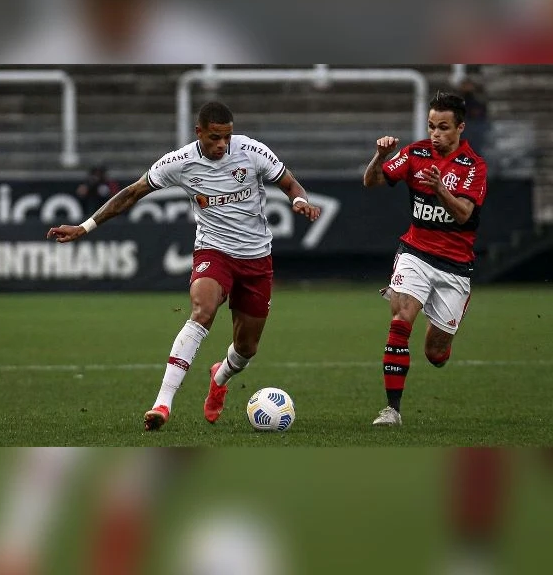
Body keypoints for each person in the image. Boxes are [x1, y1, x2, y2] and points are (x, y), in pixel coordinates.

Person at [47, 101, 321, 431]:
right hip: (213, 252)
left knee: (246, 349)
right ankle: (162, 403)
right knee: (202, 310)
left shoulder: (252, 151)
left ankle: (219, 377)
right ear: (199, 132)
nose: (222, 144)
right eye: (215, 138)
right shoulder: (179, 162)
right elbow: (132, 194)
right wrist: (85, 226)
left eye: (227, 137)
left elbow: (290, 184)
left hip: (256, 258)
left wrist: (300, 201)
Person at [362, 91, 488, 426]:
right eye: (432, 126)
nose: (435, 133)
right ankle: (392, 410)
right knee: (401, 320)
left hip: (455, 267)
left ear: (460, 127)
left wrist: (440, 190)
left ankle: (443, 343)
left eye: (444, 127)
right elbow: (371, 182)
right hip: (415, 253)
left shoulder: (473, 167)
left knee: (435, 353)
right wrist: (379, 156)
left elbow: (463, 214)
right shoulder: (415, 153)